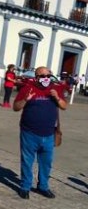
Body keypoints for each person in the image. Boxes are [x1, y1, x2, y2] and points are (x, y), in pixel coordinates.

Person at [12, 66, 67, 199]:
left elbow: (64, 106)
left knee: (46, 163)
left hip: (48, 134)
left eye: (48, 76)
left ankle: (43, 186)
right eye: (42, 76)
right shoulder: (27, 88)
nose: (46, 78)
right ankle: (25, 187)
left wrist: (57, 98)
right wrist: (26, 99)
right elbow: (15, 107)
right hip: (29, 133)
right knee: (27, 161)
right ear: (36, 77)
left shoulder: (55, 88)